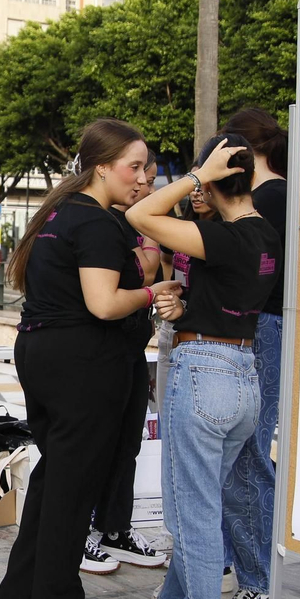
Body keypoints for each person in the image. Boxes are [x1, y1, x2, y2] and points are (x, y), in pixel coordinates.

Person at [0, 120, 181, 599]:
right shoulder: (94, 223)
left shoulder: (61, 212)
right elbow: (104, 304)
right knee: (72, 489)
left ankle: (23, 587)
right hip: (80, 364)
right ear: (102, 167)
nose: (142, 177)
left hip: (47, 354)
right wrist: (154, 292)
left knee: (57, 479)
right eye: (134, 166)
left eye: (146, 166)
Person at [126, 132, 280, 599]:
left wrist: (195, 177)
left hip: (205, 375)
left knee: (191, 508)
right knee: (205, 497)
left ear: (215, 180)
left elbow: (141, 217)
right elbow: (225, 299)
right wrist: (186, 310)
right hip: (243, 374)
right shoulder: (264, 235)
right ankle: (175, 596)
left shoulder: (226, 237)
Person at [214, 109, 289, 599]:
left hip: (259, 328)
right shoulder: (279, 196)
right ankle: (235, 561)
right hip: (259, 329)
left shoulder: (265, 200)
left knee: (245, 456)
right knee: (239, 452)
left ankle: (257, 579)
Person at [85, 146, 169, 574]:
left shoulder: (130, 217)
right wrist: (151, 232)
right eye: (137, 173)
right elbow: (149, 271)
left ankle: (115, 528)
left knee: (127, 445)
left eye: (151, 179)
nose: (143, 185)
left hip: (132, 346)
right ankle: (81, 531)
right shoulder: (108, 220)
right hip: (98, 351)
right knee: (92, 446)